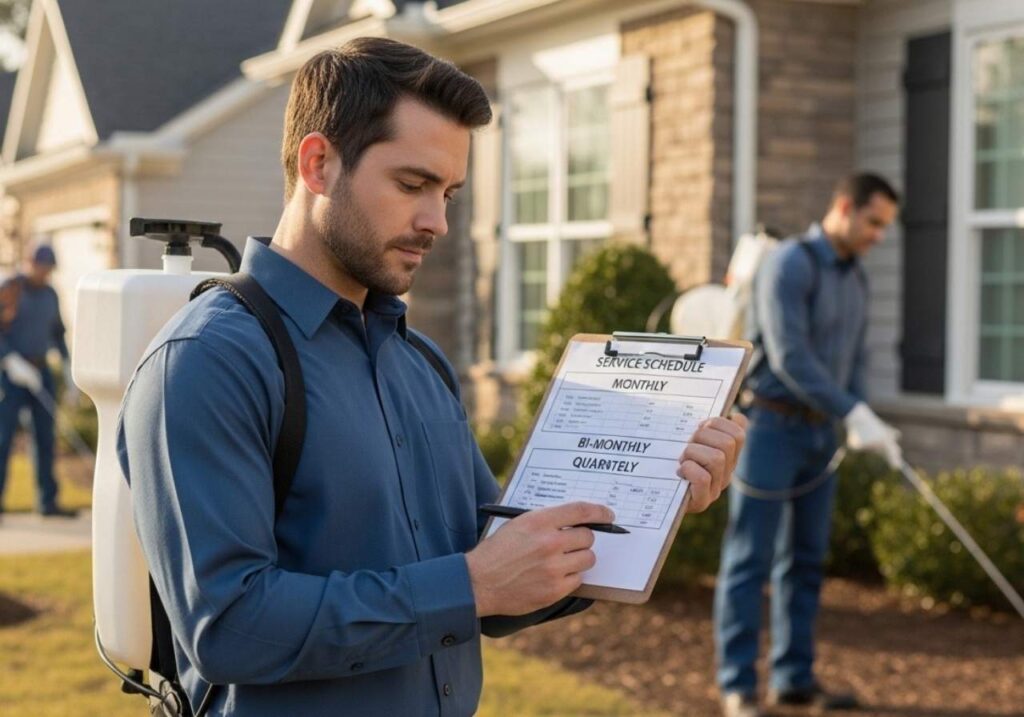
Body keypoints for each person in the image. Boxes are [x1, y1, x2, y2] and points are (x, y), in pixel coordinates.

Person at [116, 37, 747, 717]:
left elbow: (499, 576)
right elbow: (230, 624)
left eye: (448, 192)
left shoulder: (420, 363)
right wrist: (472, 584)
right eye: (412, 185)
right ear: (318, 163)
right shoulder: (209, 359)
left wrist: (656, 497)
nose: (437, 221)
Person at [714, 173, 902, 717]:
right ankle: (738, 687)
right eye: (873, 222)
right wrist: (854, 410)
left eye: (885, 226)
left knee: (805, 561)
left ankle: (793, 679)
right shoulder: (789, 264)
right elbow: (791, 357)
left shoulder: (856, 276)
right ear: (844, 207)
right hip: (769, 429)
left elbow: (854, 360)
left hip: (822, 435)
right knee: (749, 559)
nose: (878, 235)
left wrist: (862, 415)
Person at [0, 244, 78, 519]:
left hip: (42, 372)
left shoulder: (50, 294)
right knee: (3, 439)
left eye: (48, 268)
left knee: (45, 439)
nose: (44, 273)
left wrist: (69, 371)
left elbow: (58, 334)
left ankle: (47, 502)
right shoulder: (10, 288)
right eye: (40, 266)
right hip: (11, 375)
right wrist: (9, 359)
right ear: (29, 263)